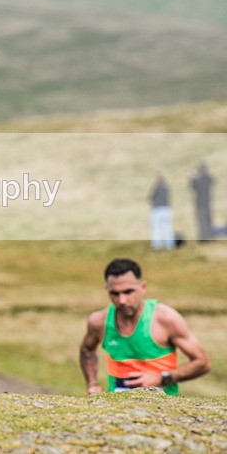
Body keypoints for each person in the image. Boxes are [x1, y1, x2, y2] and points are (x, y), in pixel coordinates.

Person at [79, 258, 210, 396]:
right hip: (118, 410)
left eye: (128, 292)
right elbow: (87, 350)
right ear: (107, 290)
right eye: (115, 293)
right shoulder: (99, 322)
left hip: (162, 411)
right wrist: (92, 384)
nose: (122, 300)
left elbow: (202, 363)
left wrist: (161, 378)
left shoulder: (166, 319)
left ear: (143, 287)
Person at [148, 173, 174, 250]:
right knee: (167, 228)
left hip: (157, 209)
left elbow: (151, 198)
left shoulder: (156, 187)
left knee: (156, 229)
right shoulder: (167, 188)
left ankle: (157, 245)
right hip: (166, 209)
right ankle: (169, 245)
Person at [189, 163, 214, 242]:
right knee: (208, 221)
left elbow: (192, 187)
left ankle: (204, 238)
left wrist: (192, 178)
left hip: (200, 204)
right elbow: (212, 180)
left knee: (202, 222)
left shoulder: (198, 180)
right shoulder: (207, 178)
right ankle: (210, 236)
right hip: (208, 203)